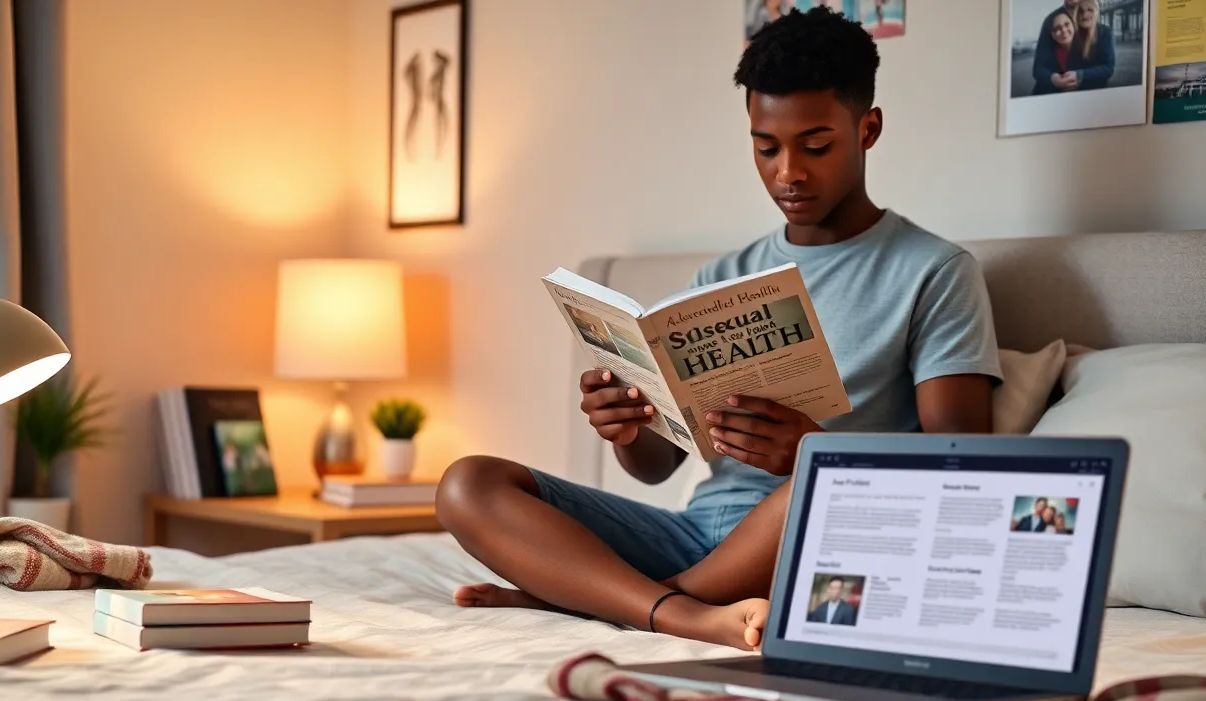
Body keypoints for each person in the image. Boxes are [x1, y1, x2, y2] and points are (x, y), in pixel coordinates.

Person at [434, 7, 1001, 652]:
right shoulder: (724, 277)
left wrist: (813, 452)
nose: (789, 171)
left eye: (816, 145)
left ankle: (616, 599)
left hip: (814, 530)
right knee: (468, 482)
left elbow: (965, 469)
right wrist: (625, 426)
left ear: (867, 129)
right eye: (767, 147)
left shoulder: (934, 272)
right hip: (696, 531)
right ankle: (670, 603)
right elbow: (656, 466)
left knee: (827, 480)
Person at [1030, 0, 1080, 95]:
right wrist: (1053, 79)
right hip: (1048, 95)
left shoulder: (1089, 17)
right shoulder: (1051, 20)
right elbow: (1038, 68)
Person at [1068, 0, 1116, 90]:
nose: (1085, 15)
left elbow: (1108, 69)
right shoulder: (1072, 34)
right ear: (1076, 14)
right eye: (1081, 11)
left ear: (1096, 12)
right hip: (1075, 90)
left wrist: (1080, 74)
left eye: (1089, 10)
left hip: (1099, 89)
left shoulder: (1105, 32)